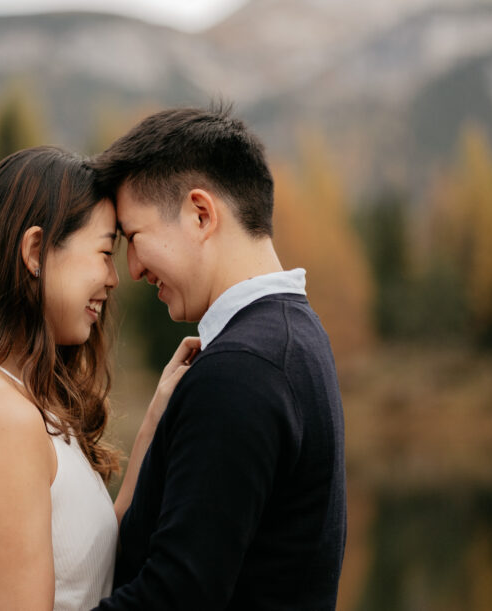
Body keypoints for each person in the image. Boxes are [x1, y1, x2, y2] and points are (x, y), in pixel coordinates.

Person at [0, 146, 199, 611]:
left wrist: (154, 421)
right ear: (35, 251)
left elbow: (85, 571)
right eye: (104, 252)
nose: (114, 278)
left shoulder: (18, 404)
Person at [90, 106, 347, 610]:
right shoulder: (296, 335)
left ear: (200, 214)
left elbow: (173, 598)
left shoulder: (240, 371)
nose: (133, 269)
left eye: (134, 237)